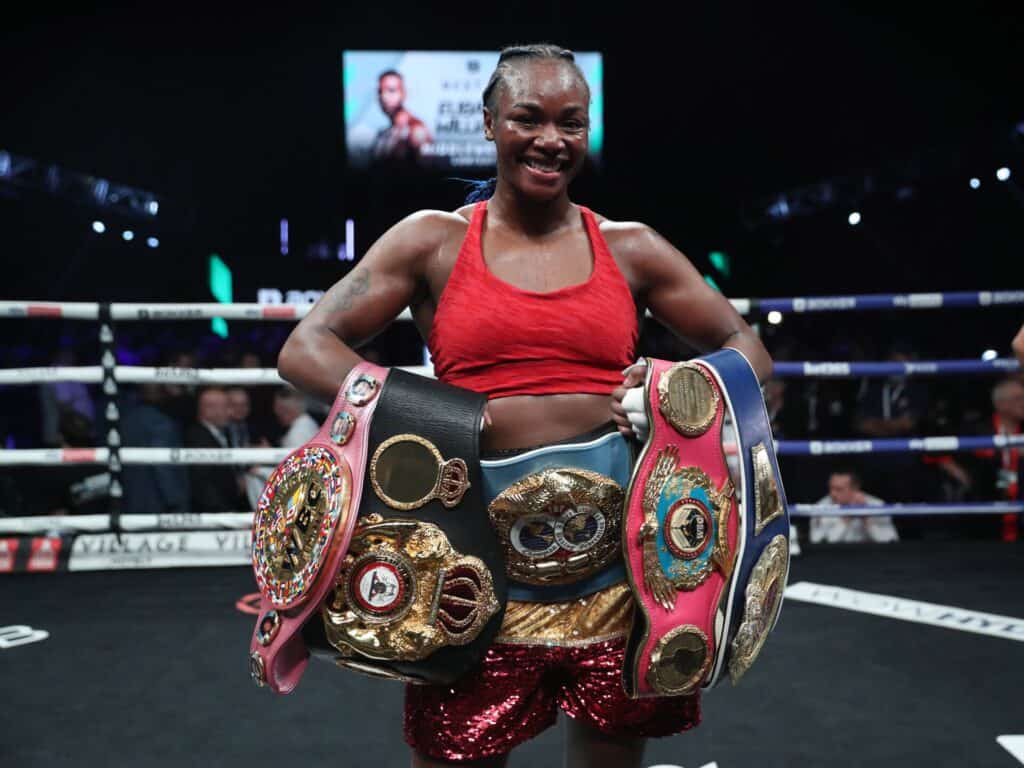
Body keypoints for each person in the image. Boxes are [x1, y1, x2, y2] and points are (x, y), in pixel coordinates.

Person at [277, 44, 771, 768]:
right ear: (489, 124)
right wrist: (426, 413)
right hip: (467, 558)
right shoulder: (432, 241)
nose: (551, 139)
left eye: (572, 122)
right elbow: (306, 348)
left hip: (617, 562)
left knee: (610, 755)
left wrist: (673, 389)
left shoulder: (629, 247)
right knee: (458, 755)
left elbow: (743, 345)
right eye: (528, 118)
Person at [185, 387, 243, 513]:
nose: (230, 412)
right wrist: (223, 512)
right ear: (209, 409)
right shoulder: (198, 438)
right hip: (213, 514)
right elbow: (202, 483)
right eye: (227, 406)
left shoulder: (220, 434)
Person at [809, 469, 898, 544]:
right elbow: (817, 542)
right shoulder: (821, 507)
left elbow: (890, 540)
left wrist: (866, 518)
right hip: (834, 558)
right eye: (831, 488)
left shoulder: (877, 505)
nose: (833, 493)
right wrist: (847, 518)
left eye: (838, 489)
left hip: (870, 558)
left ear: (855, 488)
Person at [371, 70, 433, 164]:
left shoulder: (415, 128)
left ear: (403, 93)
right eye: (380, 91)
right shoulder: (384, 133)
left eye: (391, 90)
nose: (384, 96)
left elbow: (428, 167)